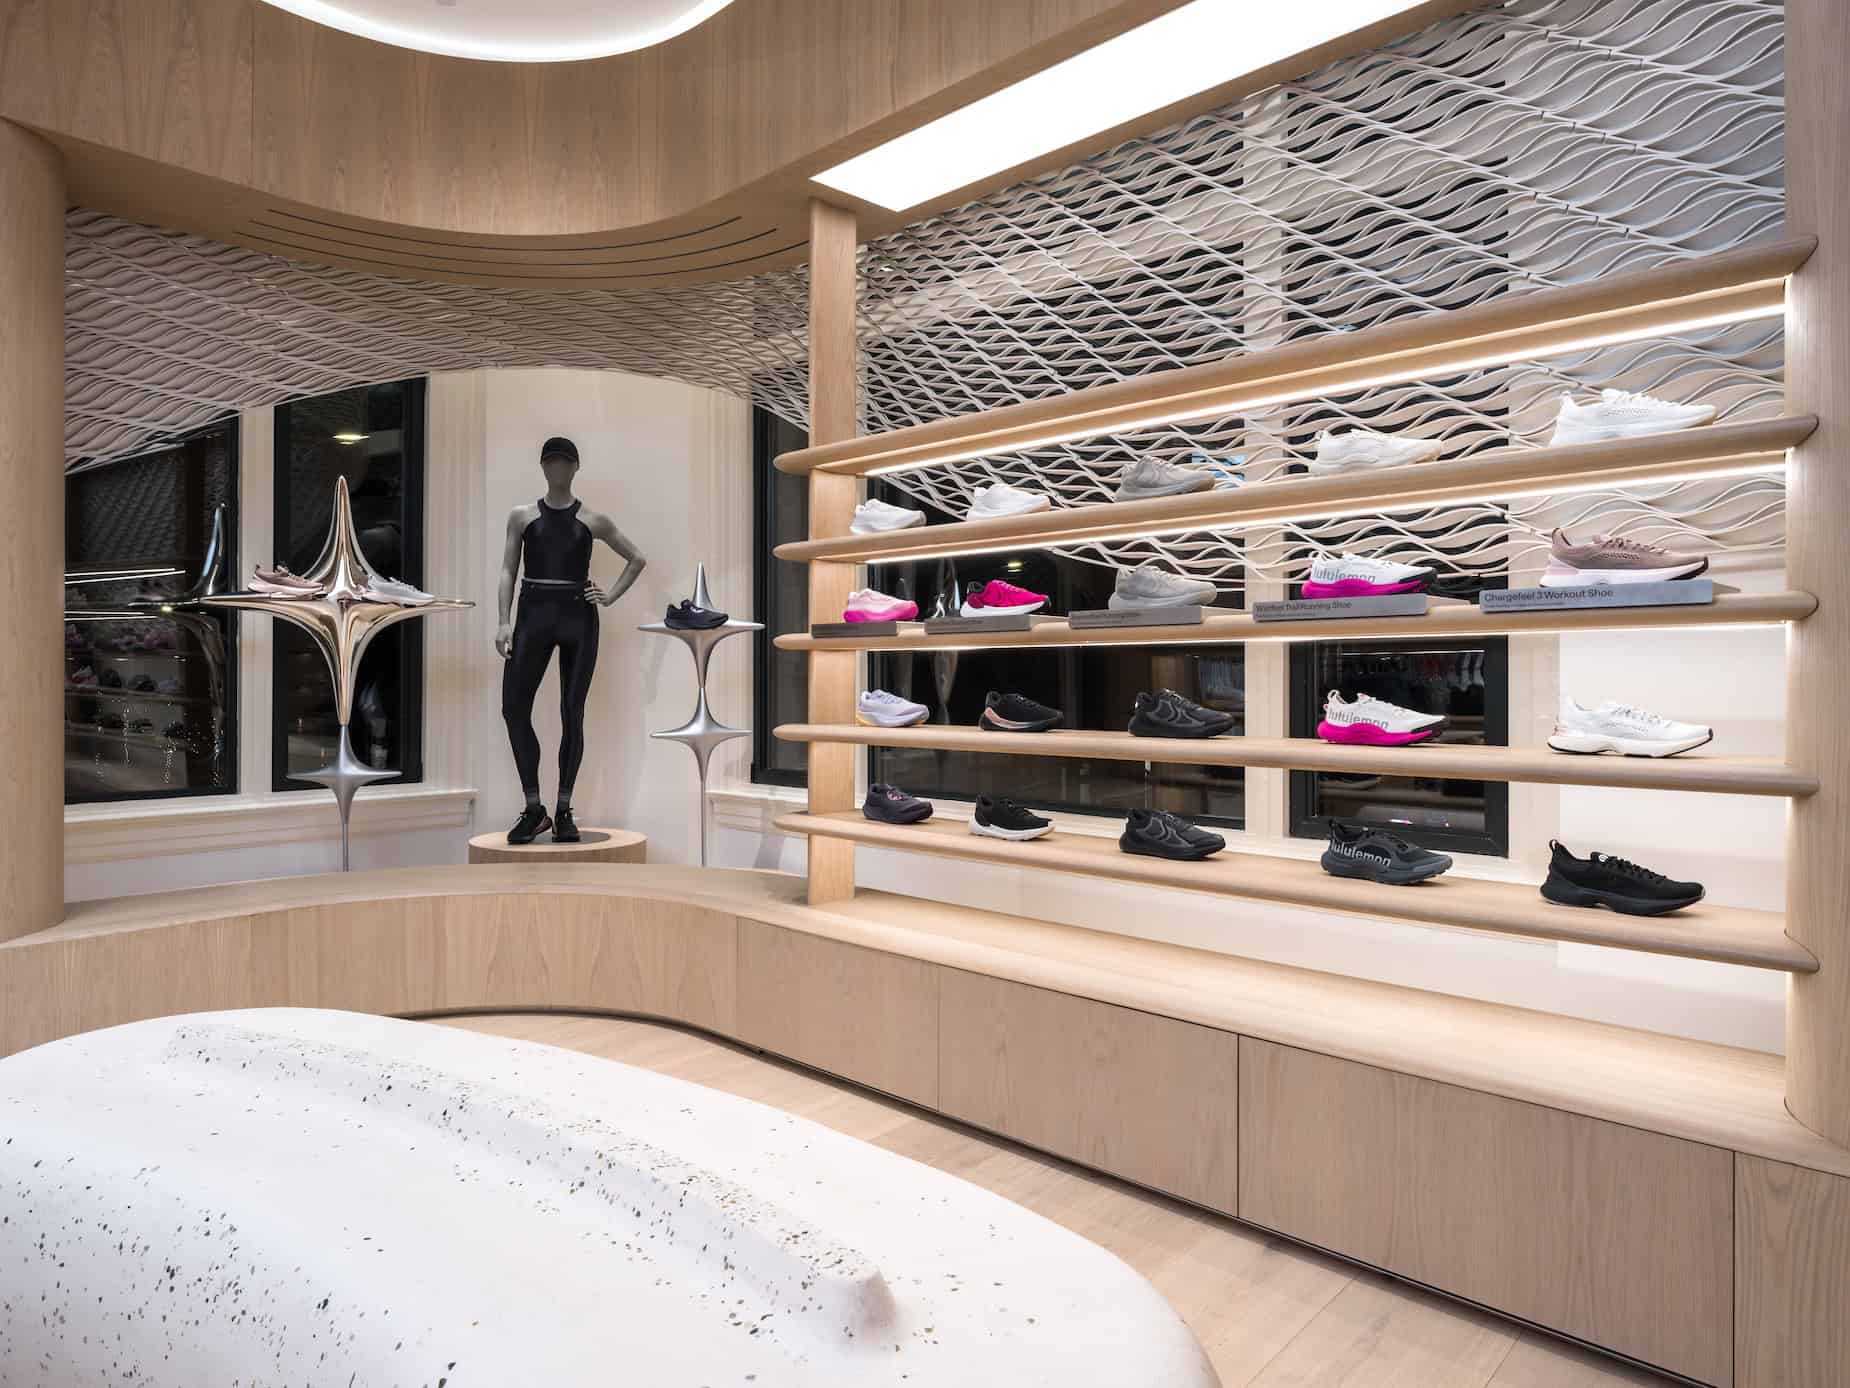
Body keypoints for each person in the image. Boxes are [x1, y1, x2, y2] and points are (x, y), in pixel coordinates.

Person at [495, 436, 647, 844]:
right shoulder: (523, 516)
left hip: (577, 616)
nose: (558, 469)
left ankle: (564, 809)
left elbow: (636, 558)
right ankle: (534, 808)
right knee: (513, 708)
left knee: (572, 712)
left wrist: (610, 596)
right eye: (551, 462)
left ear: (576, 467)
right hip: (533, 613)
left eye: (565, 462)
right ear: (543, 467)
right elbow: (508, 569)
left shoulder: (593, 520)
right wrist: (503, 622)